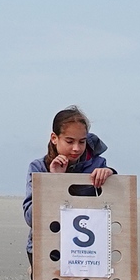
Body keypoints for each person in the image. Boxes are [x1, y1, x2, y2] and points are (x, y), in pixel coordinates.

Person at [23, 106, 115, 262]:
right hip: (47, 246)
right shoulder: (39, 168)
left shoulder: (97, 164)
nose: (76, 148)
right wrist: (54, 181)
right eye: (70, 141)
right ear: (54, 138)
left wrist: (110, 173)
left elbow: (113, 203)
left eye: (82, 142)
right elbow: (30, 217)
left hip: (86, 248)